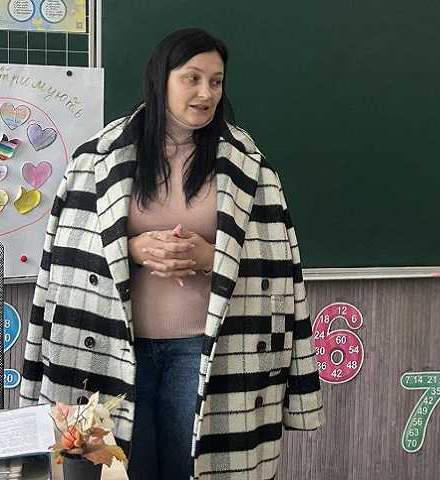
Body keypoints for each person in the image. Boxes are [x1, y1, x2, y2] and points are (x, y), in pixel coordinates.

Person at [20, 28, 324, 480]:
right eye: (192, 78)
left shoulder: (248, 164)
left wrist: (210, 257)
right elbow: (65, 258)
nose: (206, 93)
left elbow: (278, 268)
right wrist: (131, 249)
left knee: (196, 469)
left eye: (216, 82)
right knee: (118, 471)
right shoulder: (98, 157)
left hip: (208, 352)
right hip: (106, 349)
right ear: (161, 79)